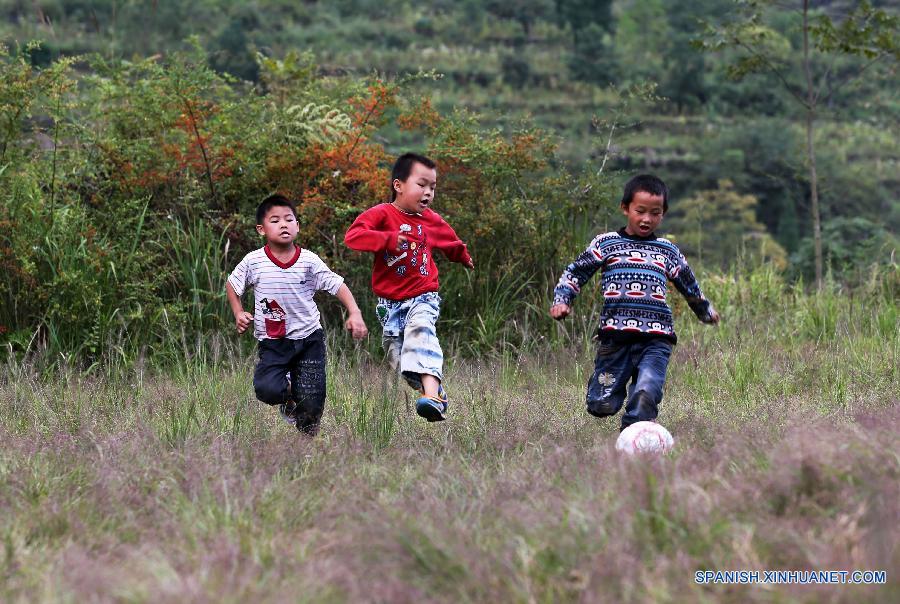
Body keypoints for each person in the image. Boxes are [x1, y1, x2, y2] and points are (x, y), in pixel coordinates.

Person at [550, 174, 720, 431]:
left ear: (663, 214)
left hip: (656, 338)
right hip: (615, 338)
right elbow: (576, 272)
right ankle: (605, 395)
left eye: (655, 213)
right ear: (625, 208)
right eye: (640, 211)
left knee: (645, 393)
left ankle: (635, 437)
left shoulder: (667, 250)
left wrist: (704, 310)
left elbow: (688, 284)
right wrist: (562, 300)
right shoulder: (606, 243)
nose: (646, 219)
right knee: (601, 404)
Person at [344, 152, 474, 422]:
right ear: (398, 185)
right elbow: (354, 237)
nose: (428, 192)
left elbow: (450, 241)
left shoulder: (430, 220)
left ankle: (430, 398)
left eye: (433, 187)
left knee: (421, 335)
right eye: (421, 184)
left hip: (423, 297)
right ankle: (434, 391)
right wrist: (388, 239)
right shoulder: (381, 214)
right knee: (401, 362)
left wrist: (462, 256)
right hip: (389, 306)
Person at [226, 194, 368, 435]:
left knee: (312, 401)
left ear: (297, 226)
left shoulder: (309, 261)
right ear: (261, 229)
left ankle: (306, 448)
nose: (284, 224)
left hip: (309, 339)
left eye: (289, 219)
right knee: (267, 389)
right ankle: (289, 398)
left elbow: (337, 284)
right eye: (275, 220)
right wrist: (238, 312)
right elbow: (233, 283)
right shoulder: (254, 261)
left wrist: (354, 312)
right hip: (273, 342)